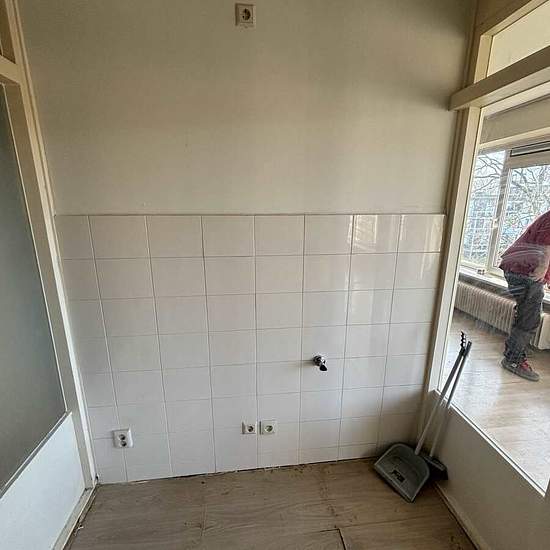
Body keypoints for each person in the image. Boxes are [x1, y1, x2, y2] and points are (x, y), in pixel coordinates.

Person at [499, 210, 550, 381]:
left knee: (525, 315)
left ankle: (513, 352)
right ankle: (513, 360)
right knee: (529, 319)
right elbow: (546, 243)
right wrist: (542, 268)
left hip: (518, 268)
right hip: (525, 271)